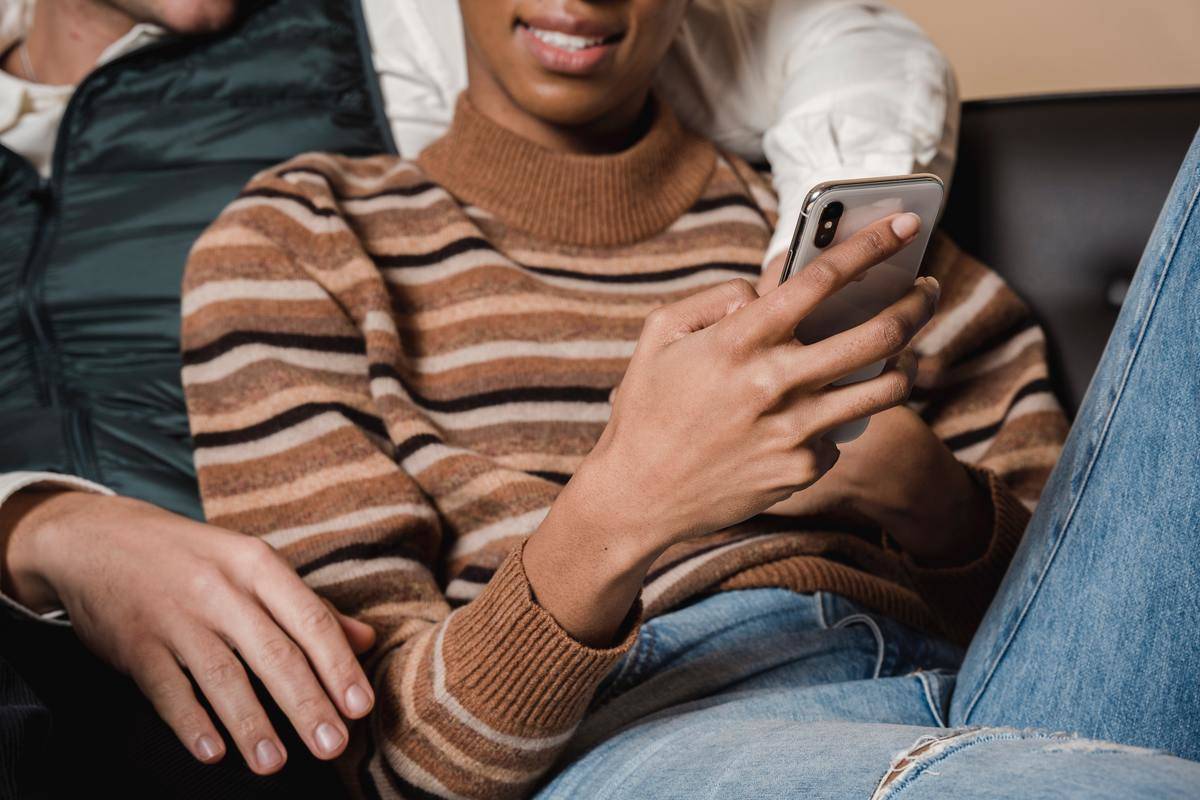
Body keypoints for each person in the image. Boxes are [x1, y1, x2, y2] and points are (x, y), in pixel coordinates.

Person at [0, 0, 959, 792]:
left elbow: (1075, 563)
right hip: (657, 719)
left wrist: (933, 496)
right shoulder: (303, 235)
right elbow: (384, 756)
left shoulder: (836, 236)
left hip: (987, 674)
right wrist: (629, 505)